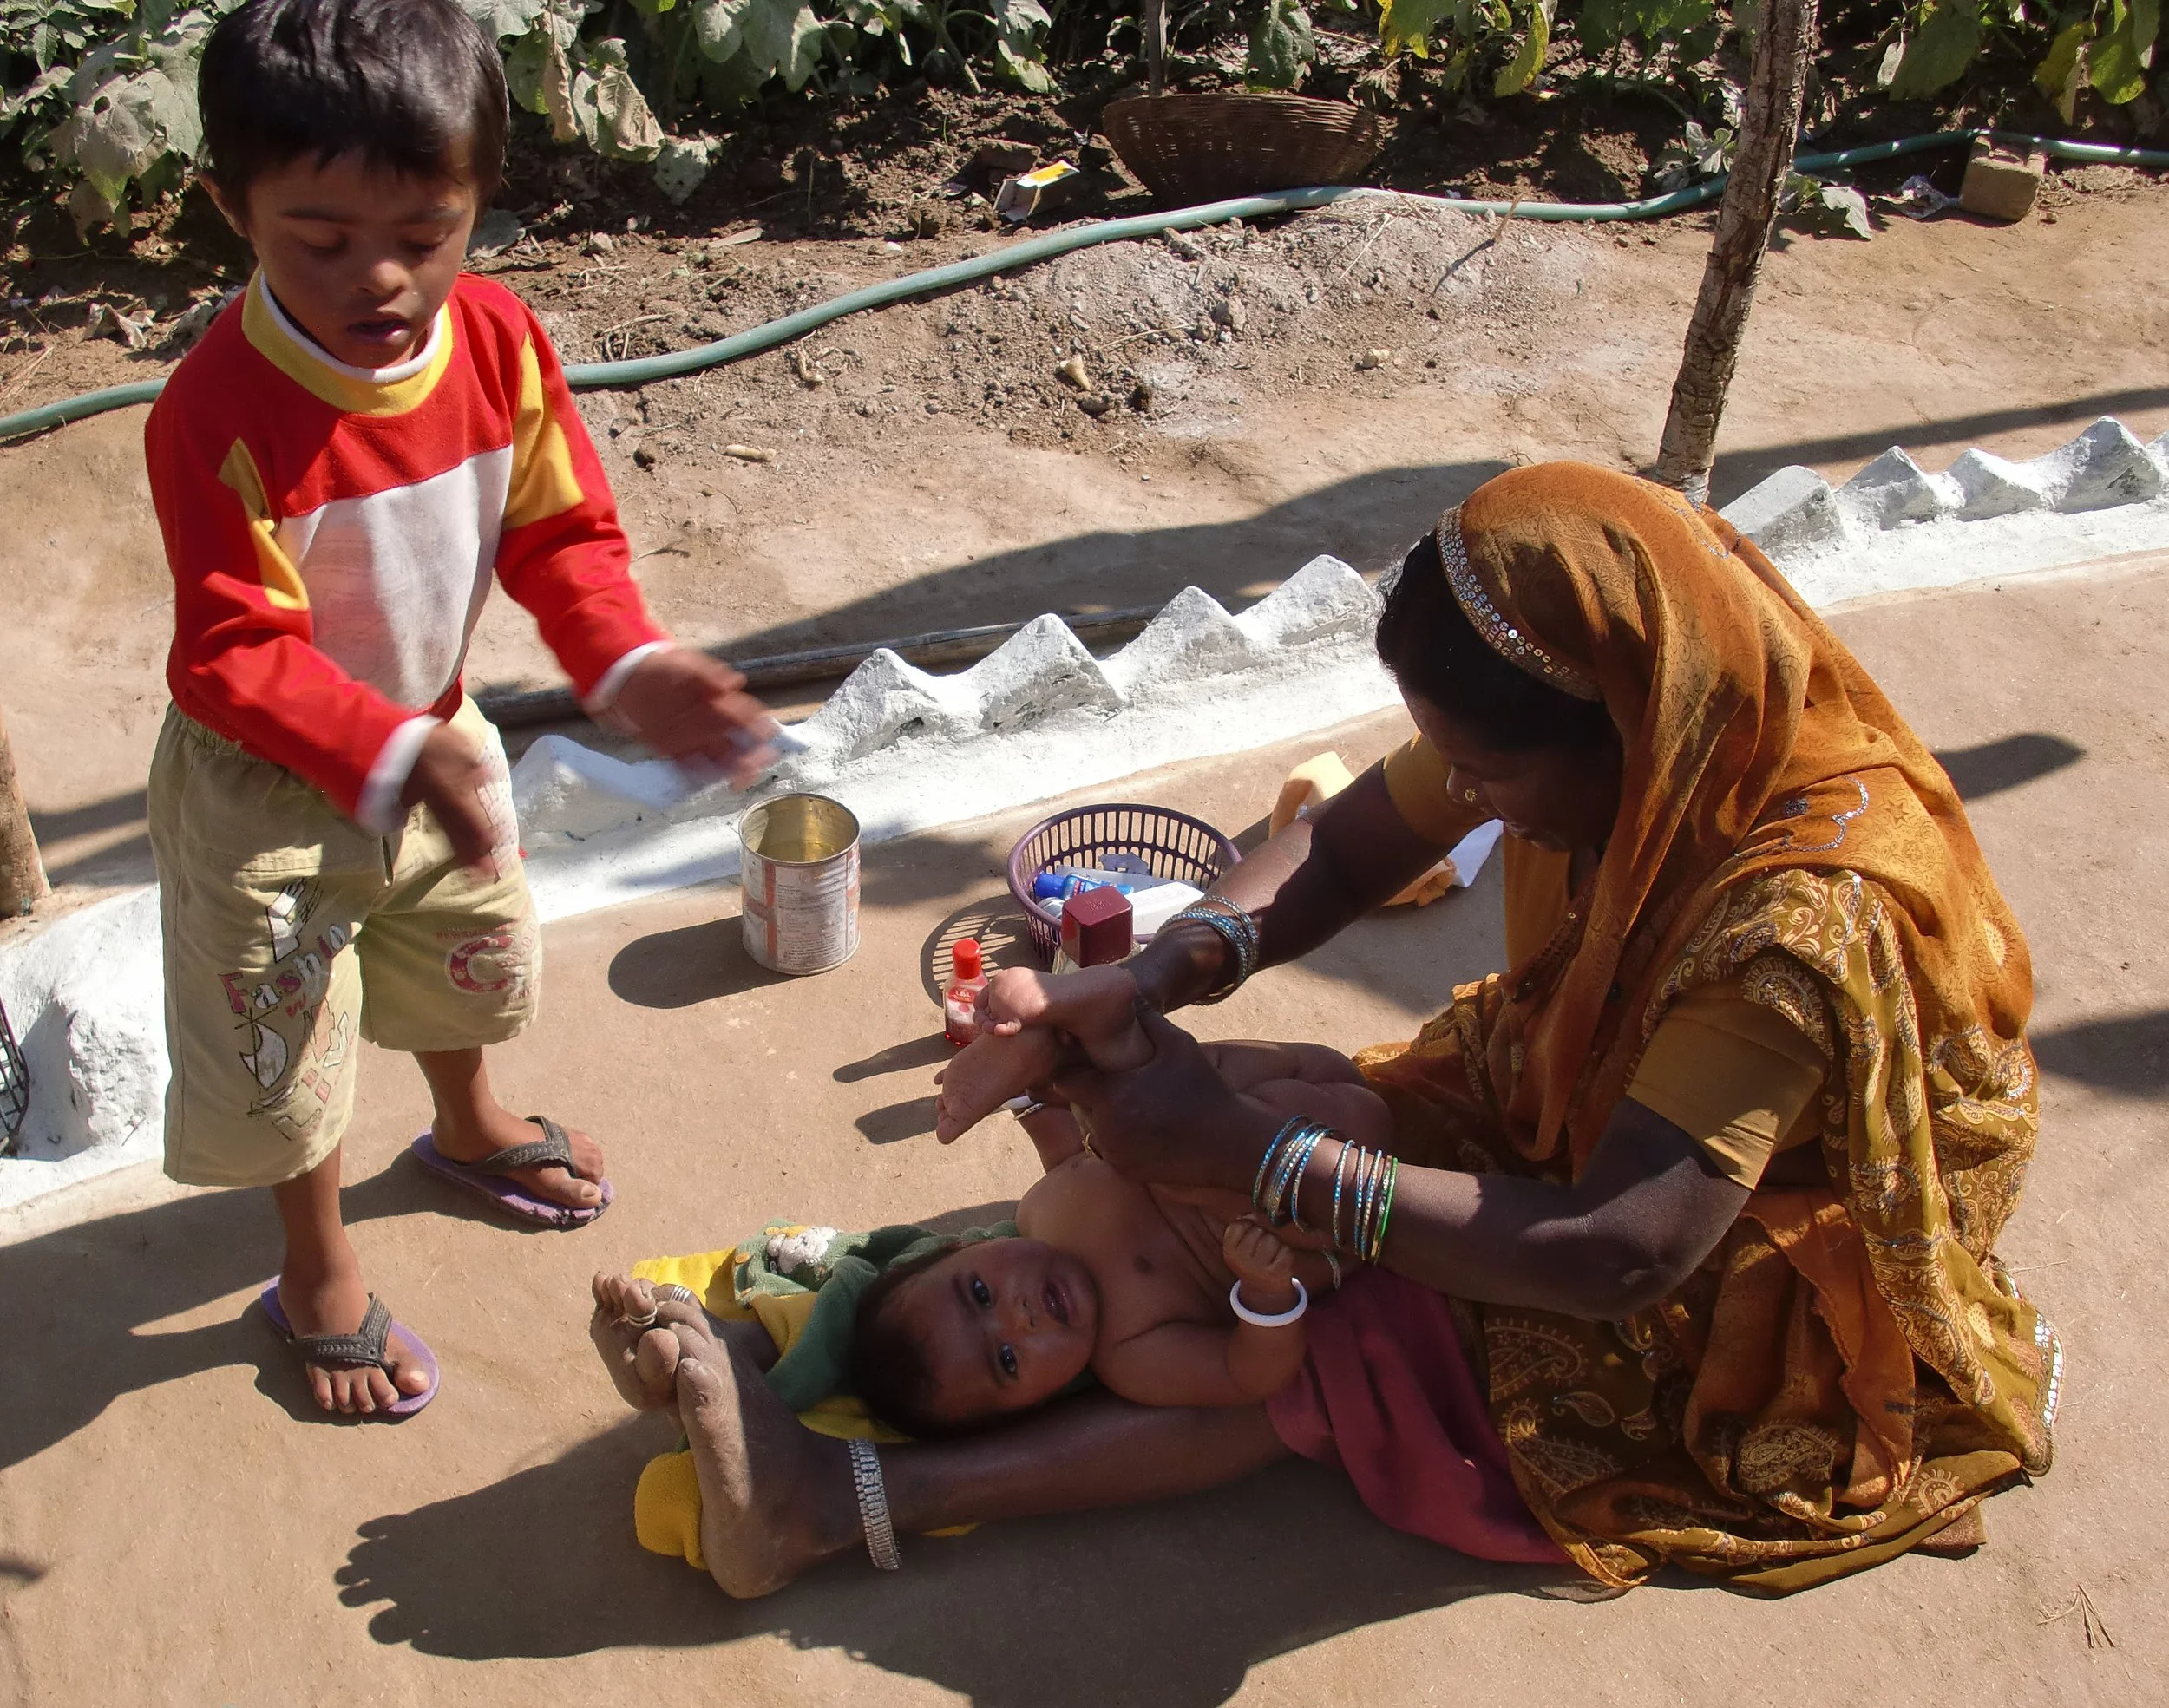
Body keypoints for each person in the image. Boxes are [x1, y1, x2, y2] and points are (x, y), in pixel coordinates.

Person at [635, 462, 2057, 1599]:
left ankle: (830, 1506)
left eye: (1496, 773)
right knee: (1098, 1235)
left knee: (1321, 1362)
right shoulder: (1624, 708)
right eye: (1466, 766)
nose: (1478, 805)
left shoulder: (1792, 927)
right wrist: (1149, 981)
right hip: (1560, 1109)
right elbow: (1346, 843)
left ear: (1633, 723)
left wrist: (1256, 1163)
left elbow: (1623, 1250)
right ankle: (805, 1344)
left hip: (1713, 1268)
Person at [146, 0, 774, 1417]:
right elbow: (228, 655)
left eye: (426, 236)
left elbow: (560, 539)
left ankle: (465, 1119)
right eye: (321, 239)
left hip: (436, 731)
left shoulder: (496, 343)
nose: (380, 278)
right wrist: (383, 748)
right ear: (225, 209)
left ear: (478, 203)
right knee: (286, 1040)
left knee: (463, 948)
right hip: (268, 787)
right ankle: (312, 1262)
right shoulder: (213, 411)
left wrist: (628, 664)